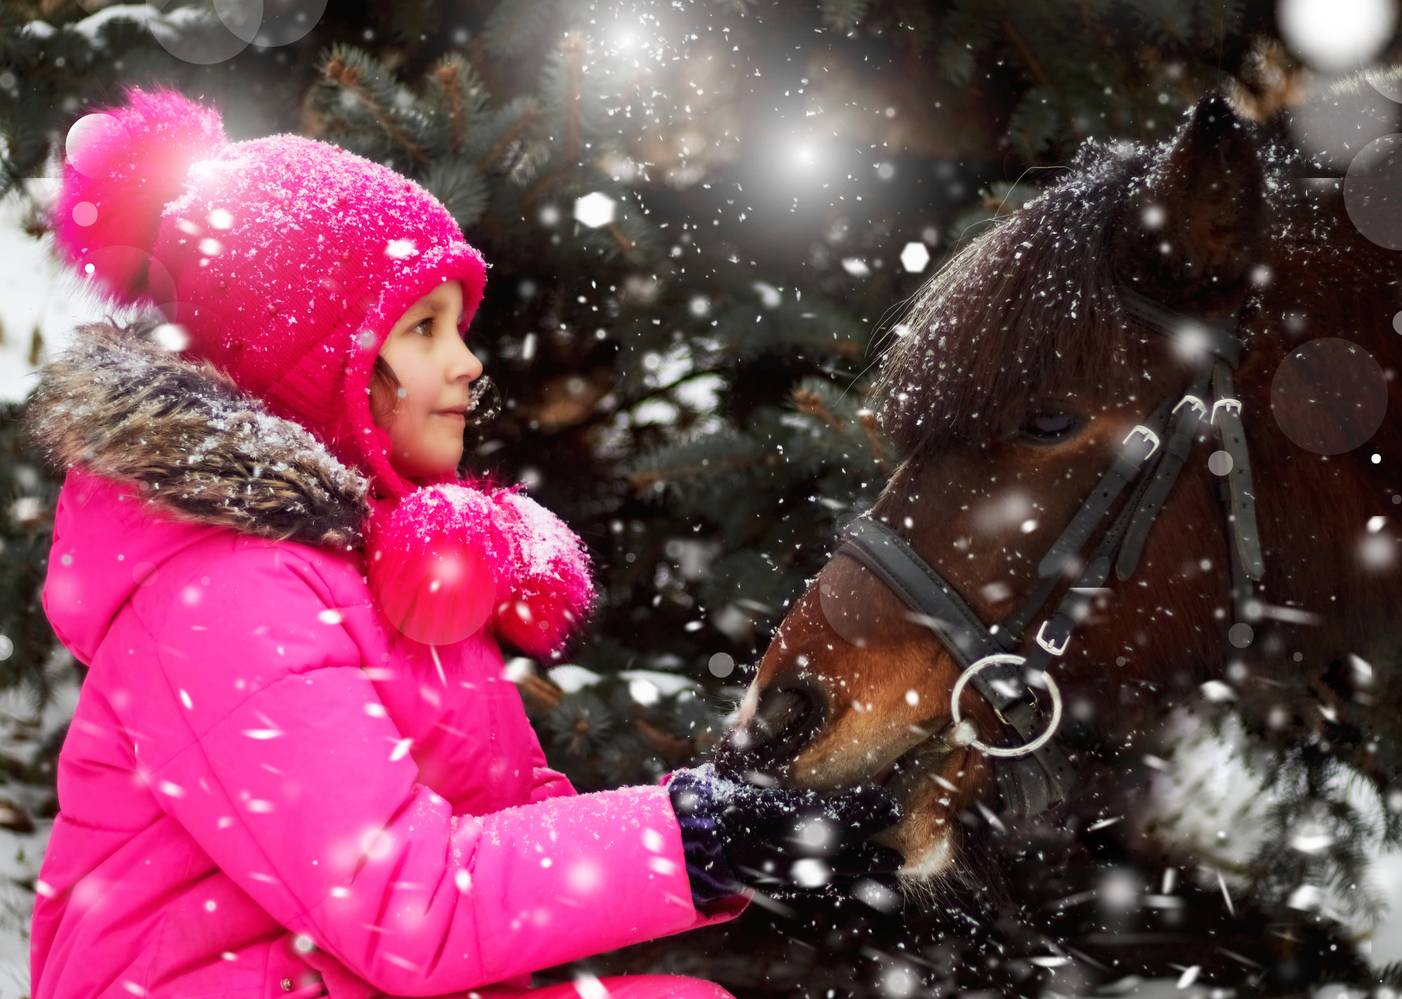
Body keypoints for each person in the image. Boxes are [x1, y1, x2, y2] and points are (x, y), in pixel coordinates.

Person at [23, 86, 901, 998]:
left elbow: (504, 835)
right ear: (307, 357)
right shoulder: (223, 589)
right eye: (422, 328)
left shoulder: (363, 568)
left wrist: (742, 820)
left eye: (459, 327)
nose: (468, 362)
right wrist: (690, 835)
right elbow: (409, 903)